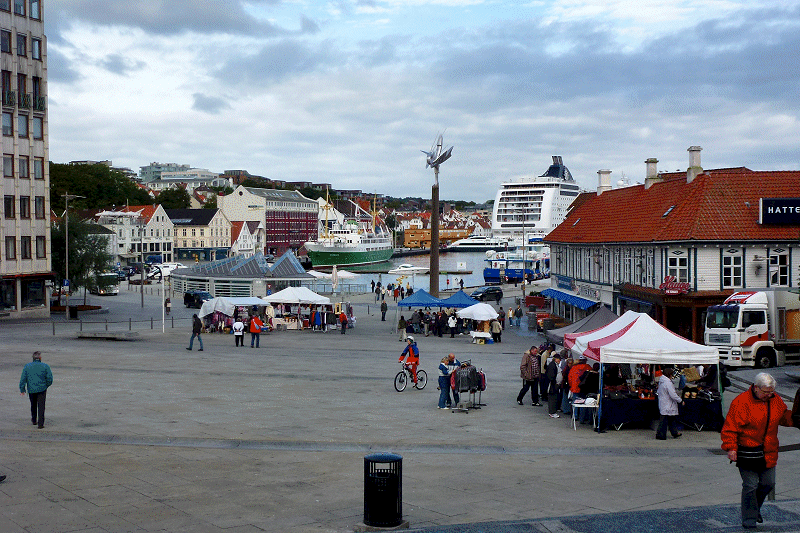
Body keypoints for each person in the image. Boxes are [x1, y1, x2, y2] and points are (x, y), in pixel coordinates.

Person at [721, 373, 794, 529]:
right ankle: (749, 519)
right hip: (747, 451)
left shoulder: (775, 400)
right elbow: (730, 428)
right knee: (751, 485)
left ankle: (754, 509)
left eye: (771, 391)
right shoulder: (741, 402)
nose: (769, 395)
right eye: (765, 391)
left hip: (769, 450)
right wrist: (731, 447)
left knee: (769, 483)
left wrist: (795, 417)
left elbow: (783, 417)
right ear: (755, 387)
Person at [19, 351, 53, 429]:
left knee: (33, 405)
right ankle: (40, 424)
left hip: (31, 389)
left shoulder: (27, 366)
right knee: (41, 406)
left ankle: (34, 420)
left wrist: (22, 389)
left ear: (33, 358)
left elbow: (23, 379)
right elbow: (50, 379)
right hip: (42, 389)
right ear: (40, 358)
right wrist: (46, 385)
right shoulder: (45, 366)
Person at [656, 367, 684, 440]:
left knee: (670, 419)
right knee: (665, 420)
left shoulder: (662, 381)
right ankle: (661, 435)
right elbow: (673, 394)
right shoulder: (668, 383)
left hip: (664, 402)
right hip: (668, 404)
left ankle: (674, 432)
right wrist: (680, 400)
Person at [568, 356, 593, 423]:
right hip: (584, 388)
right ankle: (583, 417)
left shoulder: (573, 368)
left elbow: (569, 378)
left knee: (575, 402)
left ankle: (575, 416)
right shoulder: (588, 367)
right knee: (584, 403)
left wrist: (571, 386)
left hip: (575, 387)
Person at [545, 352, 562, 418]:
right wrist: (554, 383)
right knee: (552, 398)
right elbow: (551, 376)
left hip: (555, 384)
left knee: (555, 398)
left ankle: (553, 411)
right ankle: (552, 412)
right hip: (553, 385)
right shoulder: (552, 365)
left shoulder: (555, 365)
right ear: (555, 359)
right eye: (558, 359)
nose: (559, 361)